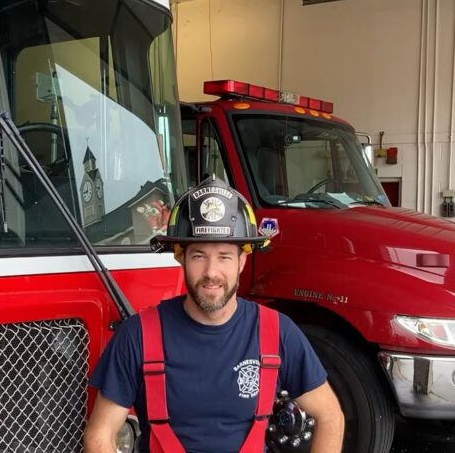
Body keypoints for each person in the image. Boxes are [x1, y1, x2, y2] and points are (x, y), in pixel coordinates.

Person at [84, 177, 344, 453]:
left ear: (242, 261)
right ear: (180, 258)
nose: (211, 272)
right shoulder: (138, 335)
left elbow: (330, 416)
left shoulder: (277, 332)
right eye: (198, 256)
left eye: (224, 256)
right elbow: (99, 436)